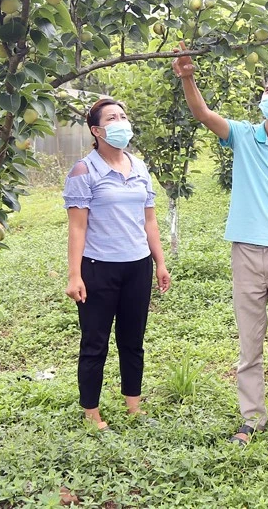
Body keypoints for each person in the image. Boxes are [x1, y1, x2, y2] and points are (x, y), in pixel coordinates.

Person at [172, 46, 268, 447]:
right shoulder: (243, 135)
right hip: (245, 253)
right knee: (249, 343)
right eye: (267, 89)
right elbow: (203, 115)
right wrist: (188, 77)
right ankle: (252, 418)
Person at [64, 98, 171, 431]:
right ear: (97, 130)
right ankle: (91, 412)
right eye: (112, 118)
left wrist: (160, 262)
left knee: (132, 339)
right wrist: (74, 274)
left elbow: (149, 220)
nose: (121, 122)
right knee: (95, 342)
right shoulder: (84, 170)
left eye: (124, 115)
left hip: (137, 267)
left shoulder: (139, 166)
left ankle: (133, 405)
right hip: (99, 268)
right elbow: (77, 226)